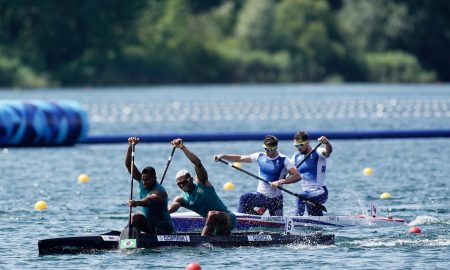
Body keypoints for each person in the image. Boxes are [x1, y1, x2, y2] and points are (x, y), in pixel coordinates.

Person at [214, 135, 300, 216]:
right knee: (244, 198)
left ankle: (257, 218)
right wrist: (222, 156)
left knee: (279, 227)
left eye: (269, 149)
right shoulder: (259, 156)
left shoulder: (284, 160)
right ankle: (241, 222)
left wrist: (281, 181)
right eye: (265, 148)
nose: (266, 152)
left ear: (275, 148)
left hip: (276, 199)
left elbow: (297, 176)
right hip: (261, 197)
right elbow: (240, 158)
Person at [168, 138, 236, 236]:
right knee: (211, 218)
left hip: (228, 219)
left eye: (184, 182)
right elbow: (168, 210)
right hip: (214, 225)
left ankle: (202, 243)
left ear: (190, 179)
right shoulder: (181, 199)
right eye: (179, 184)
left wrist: (182, 147)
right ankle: (209, 239)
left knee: (212, 214)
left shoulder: (202, 182)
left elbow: (198, 164)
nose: (182, 185)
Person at [271, 131, 332, 216]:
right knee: (315, 218)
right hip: (307, 194)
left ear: (307, 142)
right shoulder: (296, 156)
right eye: (296, 146)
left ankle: (295, 220)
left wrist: (327, 143)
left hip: (320, 192)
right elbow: (286, 169)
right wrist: (276, 181)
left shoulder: (318, 151)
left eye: (300, 145)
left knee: (300, 197)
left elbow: (328, 152)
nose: (298, 148)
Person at [125, 137, 175, 234]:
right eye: (143, 179)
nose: (144, 182)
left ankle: (134, 240)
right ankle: (134, 240)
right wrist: (131, 146)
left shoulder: (160, 192)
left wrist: (136, 203)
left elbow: (148, 201)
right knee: (135, 218)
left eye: (147, 180)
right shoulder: (142, 181)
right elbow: (128, 165)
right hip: (150, 226)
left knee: (135, 217)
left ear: (155, 179)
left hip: (164, 230)